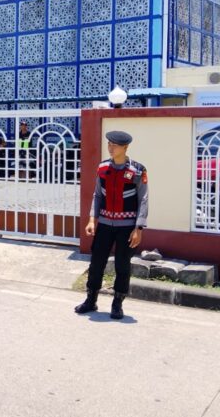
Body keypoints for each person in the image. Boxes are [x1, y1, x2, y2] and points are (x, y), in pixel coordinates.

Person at [75, 131, 148, 320]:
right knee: (96, 263)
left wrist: (138, 228)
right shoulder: (103, 168)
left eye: (115, 145)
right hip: (105, 225)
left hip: (127, 227)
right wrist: (92, 219)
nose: (110, 148)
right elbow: (97, 195)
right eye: (109, 144)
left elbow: (143, 199)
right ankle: (91, 300)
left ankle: (117, 304)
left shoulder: (137, 170)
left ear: (125, 147)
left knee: (122, 265)